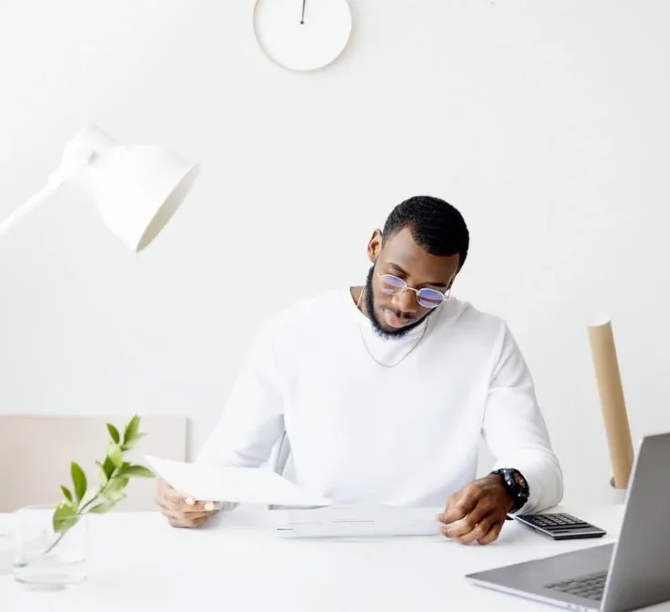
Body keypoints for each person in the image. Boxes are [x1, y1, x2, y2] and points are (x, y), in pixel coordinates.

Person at [156, 195, 563, 545]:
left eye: (430, 293)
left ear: (452, 282)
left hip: (435, 548)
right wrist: (190, 494)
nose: (405, 304)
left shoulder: (486, 340)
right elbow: (231, 458)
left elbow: (540, 464)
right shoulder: (292, 332)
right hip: (314, 546)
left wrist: (506, 486)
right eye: (395, 279)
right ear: (374, 247)